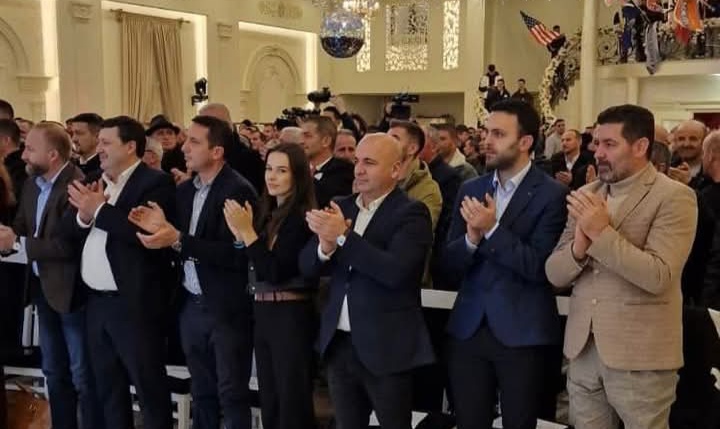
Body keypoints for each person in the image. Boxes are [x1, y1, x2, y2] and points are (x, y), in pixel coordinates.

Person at [545, 104, 697, 429]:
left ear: (640, 146)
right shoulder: (585, 194)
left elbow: (659, 275)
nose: (598, 152)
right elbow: (554, 274)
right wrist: (578, 248)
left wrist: (600, 233)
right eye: (596, 143)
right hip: (583, 350)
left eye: (609, 144)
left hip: (642, 356)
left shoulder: (675, 197)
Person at [442, 99, 568, 429]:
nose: (487, 140)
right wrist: (471, 240)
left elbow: (540, 267)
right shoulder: (471, 188)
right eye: (486, 132)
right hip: (468, 328)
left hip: (522, 330)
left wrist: (492, 230)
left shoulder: (552, 194)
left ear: (525, 142)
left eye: (498, 134)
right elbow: (448, 264)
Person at [299, 133, 435, 429]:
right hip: (340, 343)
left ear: (395, 169)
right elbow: (307, 266)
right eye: (357, 161)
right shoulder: (341, 207)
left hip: (386, 344)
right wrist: (325, 247)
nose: (359, 170)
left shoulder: (412, 213)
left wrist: (343, 237)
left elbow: (395, 272)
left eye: (369, 163)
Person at [129, 116, 257, 429]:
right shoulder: (185, 191)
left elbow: (236, 255)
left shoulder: (237, 190)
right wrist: (161, 231)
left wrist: (177, 239)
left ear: (217, 151)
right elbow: (177, 240)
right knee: (202, 391)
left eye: (194, 142)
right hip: (190, 302)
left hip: (226, 307)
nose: (185, 147)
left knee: (231, 393)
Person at [63, 115, 175, 429]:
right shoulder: (93, 179)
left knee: (149, 389)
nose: (99, 148)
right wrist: (85, 217)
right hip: (96, 303)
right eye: (99, 142)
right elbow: (66, 230)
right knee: (107, 389)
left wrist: (99, 210)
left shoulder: (154, 182)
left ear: (130, 147)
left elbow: (142, 233)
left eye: (106, 143)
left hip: (134, 303)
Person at [0, 122, 101, 429]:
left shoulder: (76, 185)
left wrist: (18, 243)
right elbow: (22, 224)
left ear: (53, 155)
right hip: (42, 289)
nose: (23, 155)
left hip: (71, 292)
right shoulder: (33, 185)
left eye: (31, 149)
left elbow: (66, 245)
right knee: (53, 371)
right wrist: (8, 236)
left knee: (82, 373)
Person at [224, 143, 317, 429]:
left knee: (291, 400)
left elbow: (275, 271)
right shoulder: (267, 211)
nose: (272, 176)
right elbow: (253, 263)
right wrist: (240, 237)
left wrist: (247, 232)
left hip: (290, 312)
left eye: (282, 170)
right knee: (270, 398)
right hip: (263, 310)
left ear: (297, 175)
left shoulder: (301, 217)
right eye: (268, 169)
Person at [301, 116, 354, 208]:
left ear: (326, 141)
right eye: (301, 136)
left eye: (307, 136)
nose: (301, 141)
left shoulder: (344, 172)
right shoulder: (297, 168)